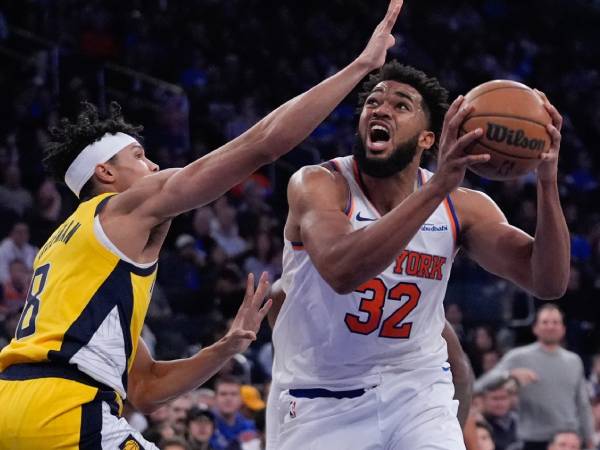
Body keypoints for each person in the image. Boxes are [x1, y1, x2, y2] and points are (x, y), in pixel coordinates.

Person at [0, 0, 404, 447]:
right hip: (65, 408)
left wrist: (226, 347)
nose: (153, 165)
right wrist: (360, 67)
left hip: (15, 404)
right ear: (105, 173)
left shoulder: (65, 247)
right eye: (139, 156)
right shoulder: (125, 207)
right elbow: (262, 145)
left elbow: (145, 389)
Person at [270, 26, 569, 450]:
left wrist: (546, 182)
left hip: (416, 389)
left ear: (428, 138)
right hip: (322, 397)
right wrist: (436, 188)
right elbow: (341, 269)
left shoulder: (463, 206)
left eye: (400, 105)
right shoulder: (320, 184)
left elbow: (548, 281)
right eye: (372, 102)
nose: (381, 109)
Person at [265, 279, 474, 448]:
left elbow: (461, 372)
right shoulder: (289, 292)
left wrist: (448, 429)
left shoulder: (413, 301)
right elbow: (282, 377)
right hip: (327, 410)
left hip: (407, 406)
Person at [475, 305, 594, 450]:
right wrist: (508, 375)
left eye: (555, 322)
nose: (550, 326)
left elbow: (582, 403)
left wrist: (589, 439)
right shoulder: (518, 357)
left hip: (567, 440)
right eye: (545, 322)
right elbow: (479, 385)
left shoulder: (574, 361)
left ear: (563, 329)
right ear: (535, 328)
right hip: (532, 440)